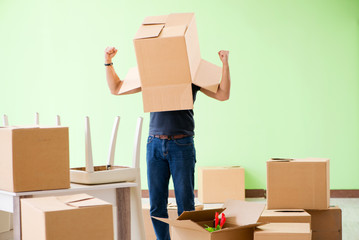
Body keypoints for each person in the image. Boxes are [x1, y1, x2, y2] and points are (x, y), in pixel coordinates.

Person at [104, 46, 231, 240]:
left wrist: (225, 64)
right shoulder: (151, 75)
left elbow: (223, 94)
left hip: (182, 145)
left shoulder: (191, 75)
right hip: (154, 145)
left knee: (185, 205)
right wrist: (108, 61)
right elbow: (116, 88)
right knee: (156, 204)